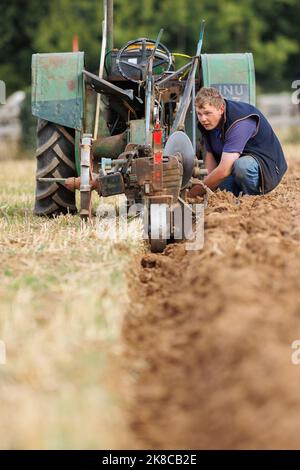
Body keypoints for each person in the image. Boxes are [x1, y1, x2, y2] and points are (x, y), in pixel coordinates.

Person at [188, 87, 287, 197]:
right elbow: (210, 155)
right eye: (199, 114)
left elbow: (224, 170)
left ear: (221, 109)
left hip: (266, 168)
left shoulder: (239, 121)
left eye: (207, 113)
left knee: (242, 166)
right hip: (233, 166)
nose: (203, 119)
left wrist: (195, 192)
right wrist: (205, 187)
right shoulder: (207, 125)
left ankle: (254, 198)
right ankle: (240, 194)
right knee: (219, 190)